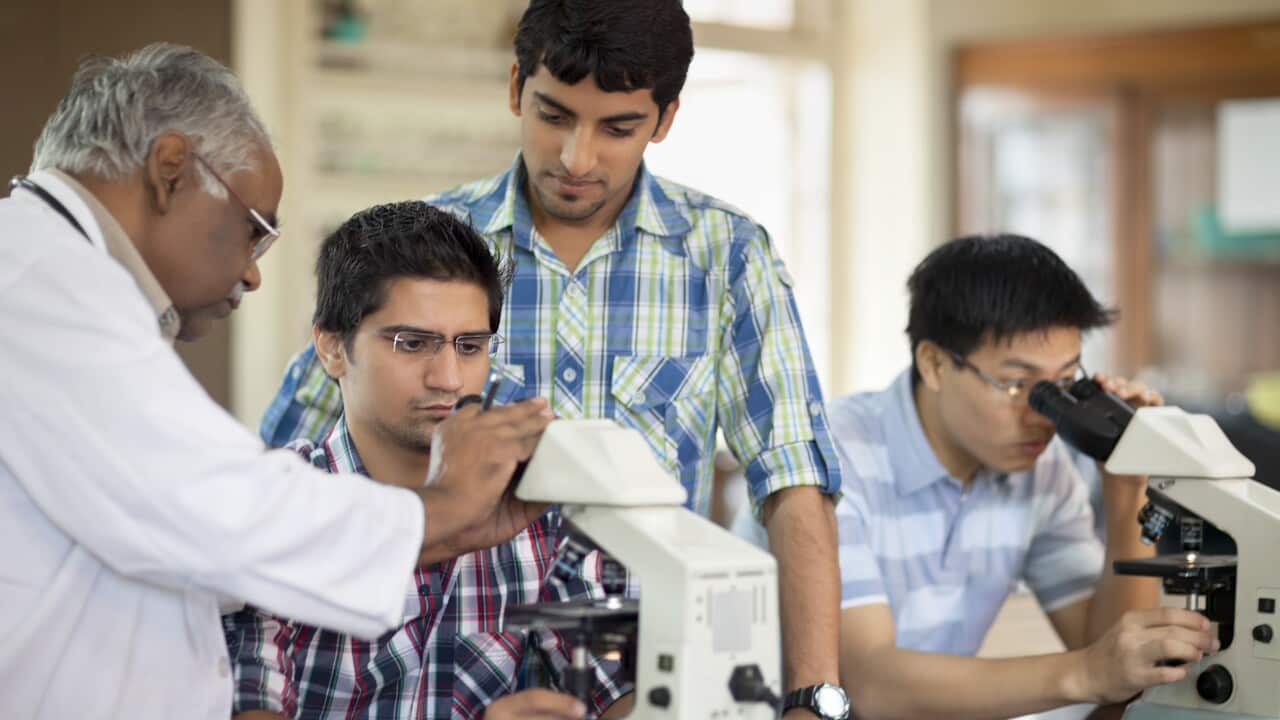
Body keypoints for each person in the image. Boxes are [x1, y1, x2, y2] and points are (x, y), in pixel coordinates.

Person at [261, 2, 846, 714]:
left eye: (617, 128)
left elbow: (794, 481)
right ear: (515, 88)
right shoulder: (437, 252)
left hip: (646, 671)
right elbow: (284, 471)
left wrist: (815, 696)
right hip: (421, 661)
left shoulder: (727, 259)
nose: (576, 157)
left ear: (664, 119)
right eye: (554, 115)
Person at [0, 44, 552, 720]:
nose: (254, 272)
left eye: (470, 345)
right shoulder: (39, 285)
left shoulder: (57, 279)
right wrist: (445, 509)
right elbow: (218, 512)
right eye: (254, 230)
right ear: (171, 170)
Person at [224, 201, 626, 720]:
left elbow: (626, 688)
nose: (450, 379)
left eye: (470, 345)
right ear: (331, 348)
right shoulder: (274, 507)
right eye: (412, 343)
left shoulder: (533, 509)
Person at [833, 234, 1218, 719]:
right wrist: (1084, 673)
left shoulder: (1041, 466)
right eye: (1017, 384)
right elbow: (870, 684)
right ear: (933, 363)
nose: (1041, 416)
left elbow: (1111, 659)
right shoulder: (836, 453)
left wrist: (1126, 486)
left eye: (1061, 385)